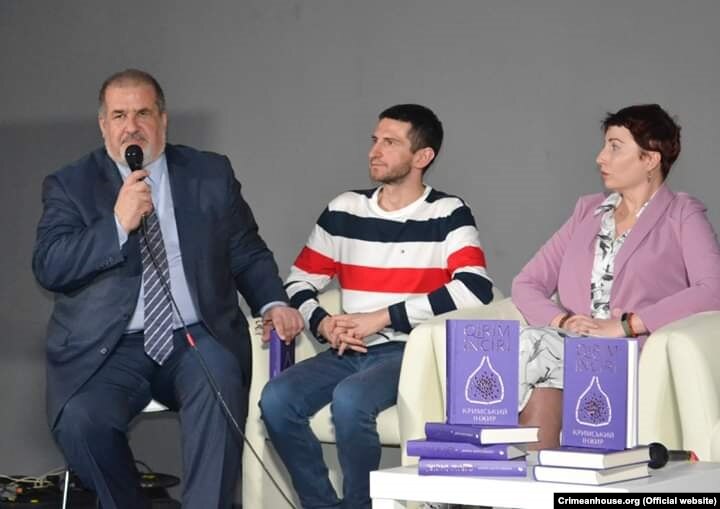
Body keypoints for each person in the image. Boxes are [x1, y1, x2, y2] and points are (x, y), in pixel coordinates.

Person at [31, 68, 303, 508]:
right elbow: (50, 267)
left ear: (162, 119)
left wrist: (273, 302)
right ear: (103, 124)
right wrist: (116, 225)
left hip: (194, 337)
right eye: (119, 115)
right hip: (109, 347)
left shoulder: (209, 173)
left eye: (142, 113)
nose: (131, 126)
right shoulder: (70, 184)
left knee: (220, 381)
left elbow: (246, 251)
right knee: (81, 421)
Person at [259, 104, 495, 509]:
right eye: (374, 140)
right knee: (276, 399)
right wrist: (324, 323)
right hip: (346, 349)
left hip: (410, 352)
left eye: (390, 142)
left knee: (351, 400)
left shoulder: (447, 212)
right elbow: (298, 281)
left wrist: (382, 318)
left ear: (423, 156)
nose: (374, 151)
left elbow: (476, 288)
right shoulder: (344, 210)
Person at [512, 104, 720, 449]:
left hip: (633, 352)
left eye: (615, 147)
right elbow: (526, 283)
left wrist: (627, 325)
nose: (600, 158)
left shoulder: (682, 214)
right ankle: (528, 478)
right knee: (538, 369)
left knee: (526, 347)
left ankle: (470, 453)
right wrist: (563, 320)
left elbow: (712, 289)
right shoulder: (588, 212)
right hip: (571, 348)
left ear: (650, 159)